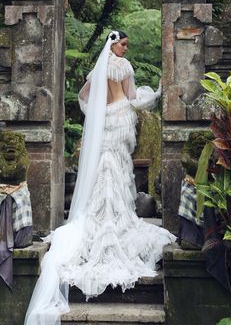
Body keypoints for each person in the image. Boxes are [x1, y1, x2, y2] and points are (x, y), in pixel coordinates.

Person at [24, 30, 176, 325]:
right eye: (124, 45)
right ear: (115, 44)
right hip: (121, 120)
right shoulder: (124, 67)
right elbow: (133, 99)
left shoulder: (99, 68)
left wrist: (94, 112)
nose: (125, 50)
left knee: (103, 172)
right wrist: (155, 95)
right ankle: (116, 222)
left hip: (105, 121)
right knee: (117, 171)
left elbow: (84, 96)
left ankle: (99, 220)